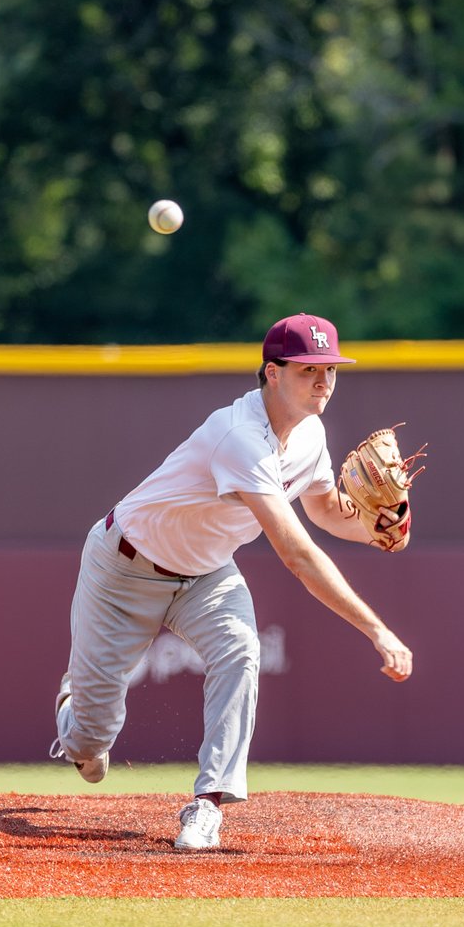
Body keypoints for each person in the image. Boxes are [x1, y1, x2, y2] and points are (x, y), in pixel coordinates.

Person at [51, 313, 414, 850]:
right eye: (309, 370)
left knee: (242, 651)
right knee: (90, 747)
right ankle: (74, 708)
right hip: (124, 568)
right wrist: (378, 630)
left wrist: (379, 528)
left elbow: (325, 509)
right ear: (272, 373)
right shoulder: (239, 437)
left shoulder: (310, 434)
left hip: (206, 573)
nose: (323, 381)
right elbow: (298, 555)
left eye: (331, 369)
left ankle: (208, 805)